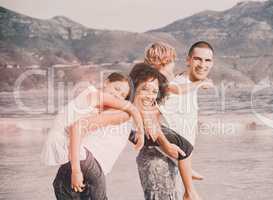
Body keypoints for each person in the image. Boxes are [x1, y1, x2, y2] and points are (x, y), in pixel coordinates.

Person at [41, 72, 145, 200]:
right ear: (106, 82)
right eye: (116, 88)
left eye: (122, 95)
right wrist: (76, 171)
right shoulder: (94, 95)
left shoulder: (95, 102)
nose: (117, 95)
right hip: (69, 146)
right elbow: (131, 108)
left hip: (70, 146)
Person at [136, 41, 215, 200]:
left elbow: (182, 129)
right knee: (184, 146)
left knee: (185, 144)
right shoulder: (169, 85)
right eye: (197, 59)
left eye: (207, 60)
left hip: (171, 159)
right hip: (159, 161)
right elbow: (151, 118)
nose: (202, 64)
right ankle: (190, 190)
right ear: (188, 60)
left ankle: (187, 175)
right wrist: (166, 146)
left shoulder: (183, 83)